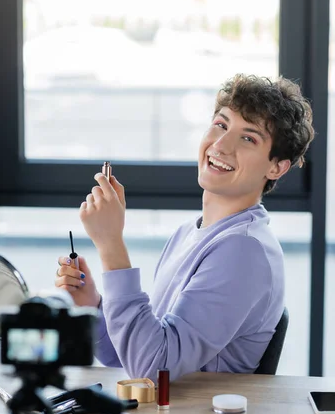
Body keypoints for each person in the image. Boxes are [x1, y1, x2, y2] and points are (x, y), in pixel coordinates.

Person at [55, 74, 315, 381]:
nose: (221, 145)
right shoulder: (189, 233)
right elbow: (130, 355)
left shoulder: (244, 251)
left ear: (276, 167)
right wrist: (94, 306)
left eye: (248, 138)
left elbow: (154, 368)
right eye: (221, 124)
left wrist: (111, 245)